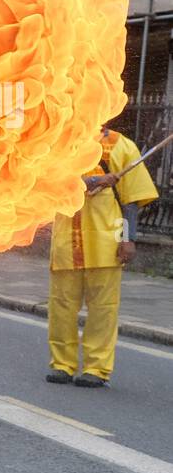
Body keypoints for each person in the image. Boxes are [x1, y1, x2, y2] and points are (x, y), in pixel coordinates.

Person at [46, 126, 159, 387]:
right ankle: (62, 364)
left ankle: (97, 369)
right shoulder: (57, 141)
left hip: (107, 243)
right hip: (66, 243)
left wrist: (128, 238)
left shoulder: (122, 146)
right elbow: (47, 186)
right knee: (61, 308)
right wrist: (94, 182)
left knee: (103, 311)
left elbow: (130, 201)